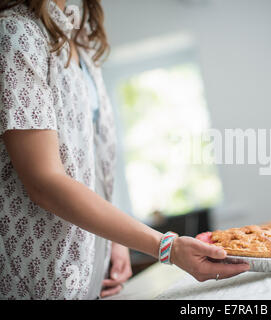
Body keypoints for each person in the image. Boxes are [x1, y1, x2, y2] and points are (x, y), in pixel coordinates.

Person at [0, 0, 249, 299]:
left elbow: (90, 164)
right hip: (43, 280)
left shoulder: (81, 33)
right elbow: (44, 181)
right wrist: (166, 246)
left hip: (93, 275)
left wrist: (113, 241)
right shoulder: (16, 33)